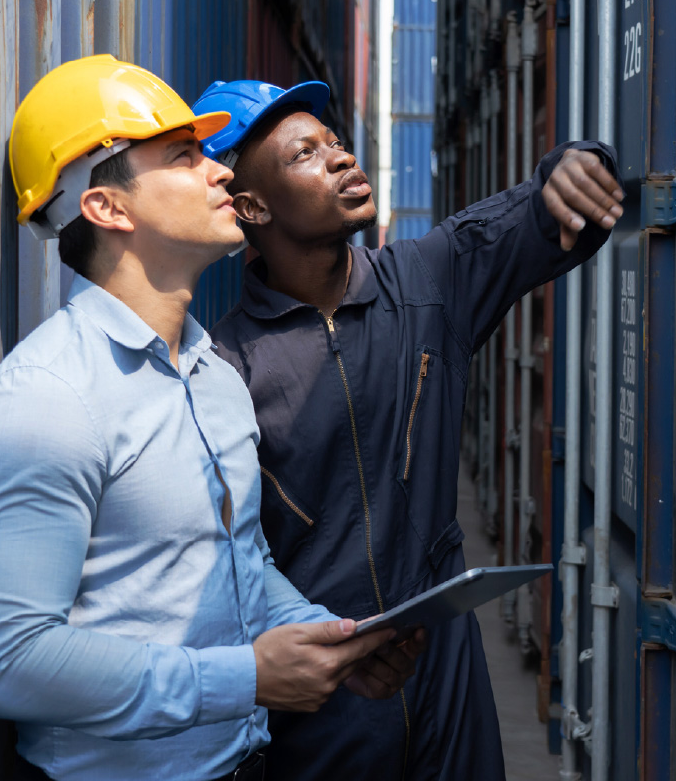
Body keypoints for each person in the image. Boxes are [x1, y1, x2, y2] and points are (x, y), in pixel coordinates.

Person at [0, 57, 423, 781]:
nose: (219, 173)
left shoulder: (213, 376)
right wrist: (244, 679)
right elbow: (11, 663)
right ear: (109, 209)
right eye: (182, 157)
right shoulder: (44, 399)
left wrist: (325, 640)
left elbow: (242, 565)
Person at [191, 78, 624, 781]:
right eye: (306, 153)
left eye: (335, 142)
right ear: (251, 205)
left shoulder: (427, 281)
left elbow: (542, 217)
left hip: (444, 668)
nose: (339, 158)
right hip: (328, 692)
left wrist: (575, 163)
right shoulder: (225, 371)